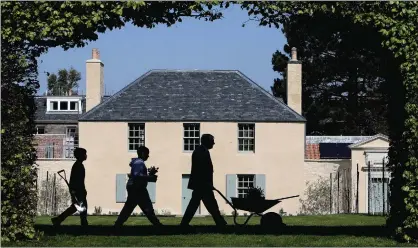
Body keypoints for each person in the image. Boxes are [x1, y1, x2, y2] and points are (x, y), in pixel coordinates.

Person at [180, 134, 227, 227]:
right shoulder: (201, 152)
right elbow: (201, 170)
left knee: (198, 205)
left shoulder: (201, 151)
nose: (213, 143)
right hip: (202, 185)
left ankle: (184, 223)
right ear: (207, 141)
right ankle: (220, 223)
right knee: (211, 205)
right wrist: (207, 183)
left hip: (202, 184)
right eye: (212, 141)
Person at [114, 146, 162, 227]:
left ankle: (117, 225)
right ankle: (158, 226)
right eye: (147, 154)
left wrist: (150, 174)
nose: (148, 156)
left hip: (134, 188)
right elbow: (137, 176)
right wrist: (151, 177)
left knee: (128, 208)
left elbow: (136, 175)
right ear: (143, 153)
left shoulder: (137, 162)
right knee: (147, 208)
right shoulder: (139, 163)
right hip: (138, 189)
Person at [51, 147, 88, 227]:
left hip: (79, 190)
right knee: (82, 207)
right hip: (78, 191)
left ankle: (58, 219)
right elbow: (76, 180)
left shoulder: (78, 165)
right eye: (85, 154)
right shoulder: (78, 166)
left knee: (75, 207)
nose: (86, 156)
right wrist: (74, 191)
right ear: (81, 155)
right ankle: (84, 224)